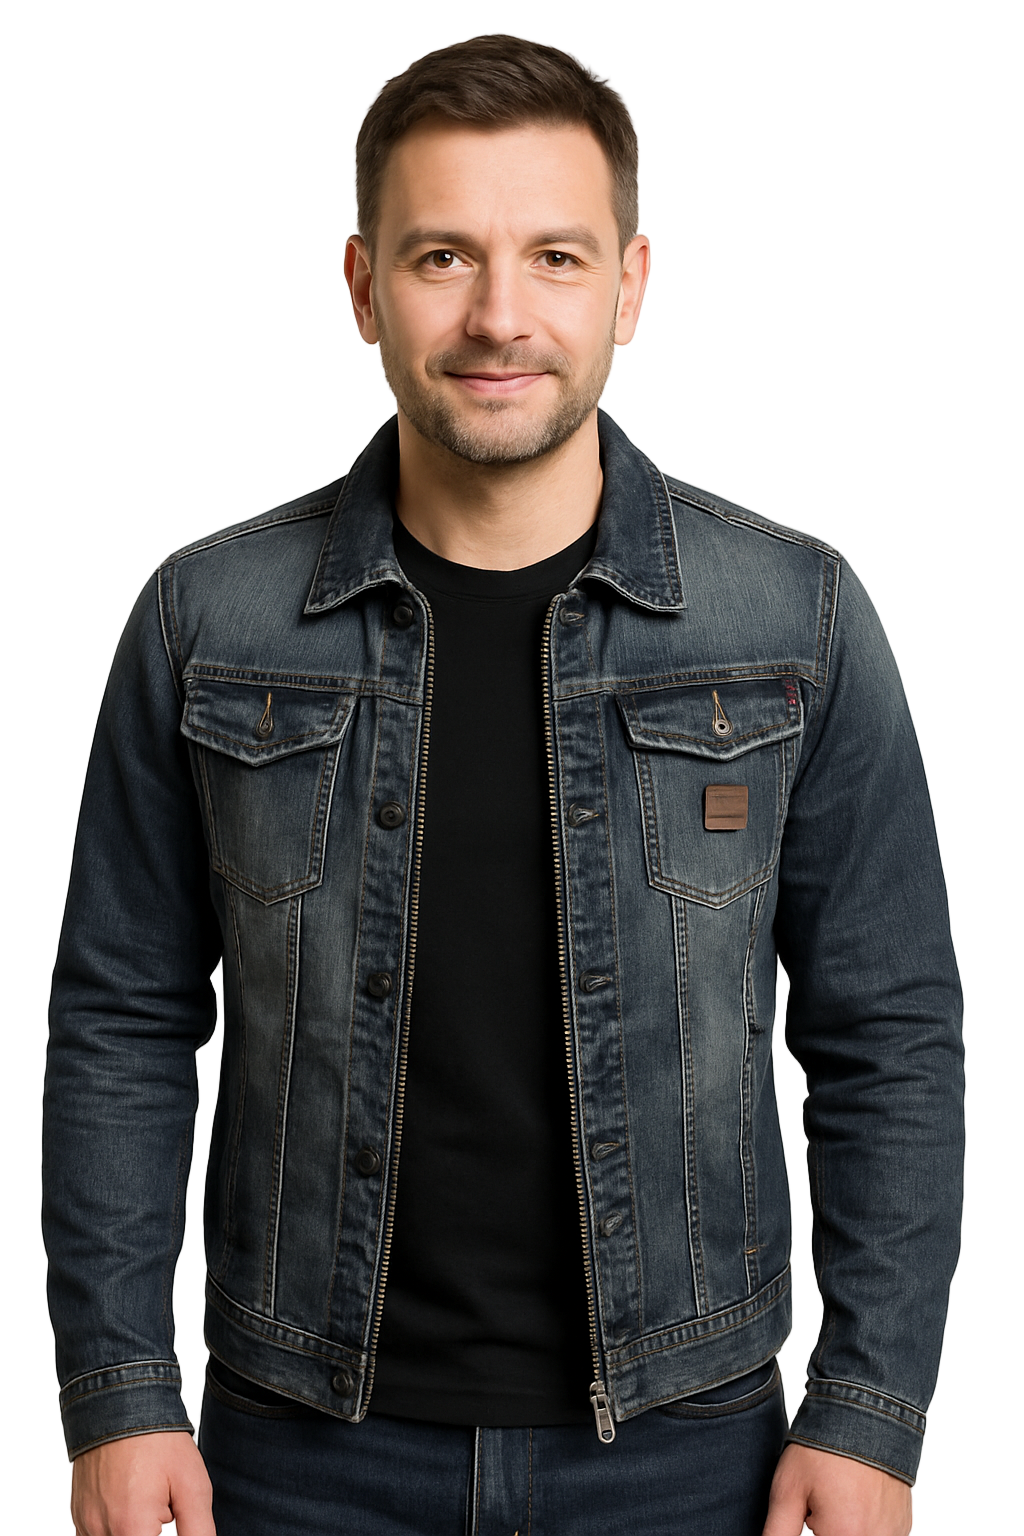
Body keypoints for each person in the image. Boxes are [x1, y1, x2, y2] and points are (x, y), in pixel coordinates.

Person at [43, 33, 963, 1536]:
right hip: (302, 1455)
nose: (498, 315)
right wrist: (120, 1390)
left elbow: (890, 1031)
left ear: (630, 286)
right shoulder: (209, 622)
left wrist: (870, 1409)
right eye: (441, 257)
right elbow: (121, 1020)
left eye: (554, 255)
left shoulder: (790, 620)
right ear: (362, 287)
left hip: (685, 1456)